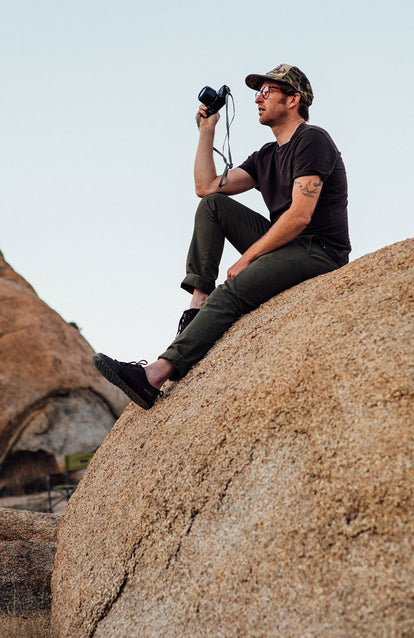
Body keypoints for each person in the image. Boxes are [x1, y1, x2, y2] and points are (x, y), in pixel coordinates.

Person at [93, 63, 351, 410]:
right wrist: (206, 130)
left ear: (294, 99)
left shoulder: (312, 139)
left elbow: (300, 216)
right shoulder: (266, 156)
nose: (258, 99)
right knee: (214, 206)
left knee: (231, 294)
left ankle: (154, 375)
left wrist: (247, 258)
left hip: (319, 250)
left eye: (267, 91)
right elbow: (205, 188)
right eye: (257, 92)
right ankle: (198, 304)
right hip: (286, 244)